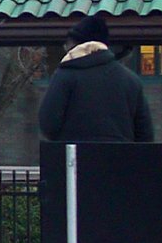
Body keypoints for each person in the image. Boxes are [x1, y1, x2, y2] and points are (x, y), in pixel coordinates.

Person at [37, 12, 155, 144]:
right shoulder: (131, 80)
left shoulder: (65, 75)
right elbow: (145, 136)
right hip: (121, 161)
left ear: (75, 46)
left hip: (75, 160)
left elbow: (48, 125)